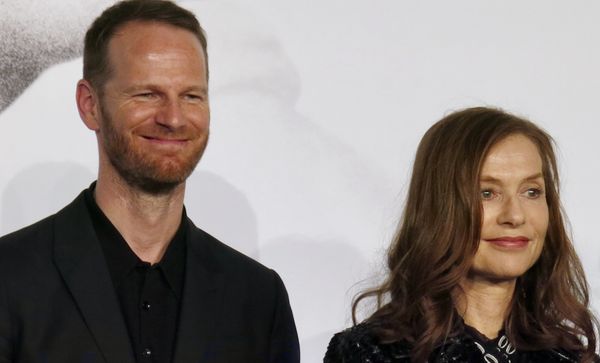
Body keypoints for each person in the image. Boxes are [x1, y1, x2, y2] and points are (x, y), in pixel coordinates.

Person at [0, 1, 300, 362]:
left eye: (191, 96)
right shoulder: (10, 278)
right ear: (90, 104)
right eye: (148, 94)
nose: (173, 118)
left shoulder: (257, 298)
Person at [324, 107, 599, 362]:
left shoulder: (573, 356)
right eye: (487, 193)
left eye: (531, 192)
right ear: (440, 208)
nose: (515, 216)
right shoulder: (370, 354)